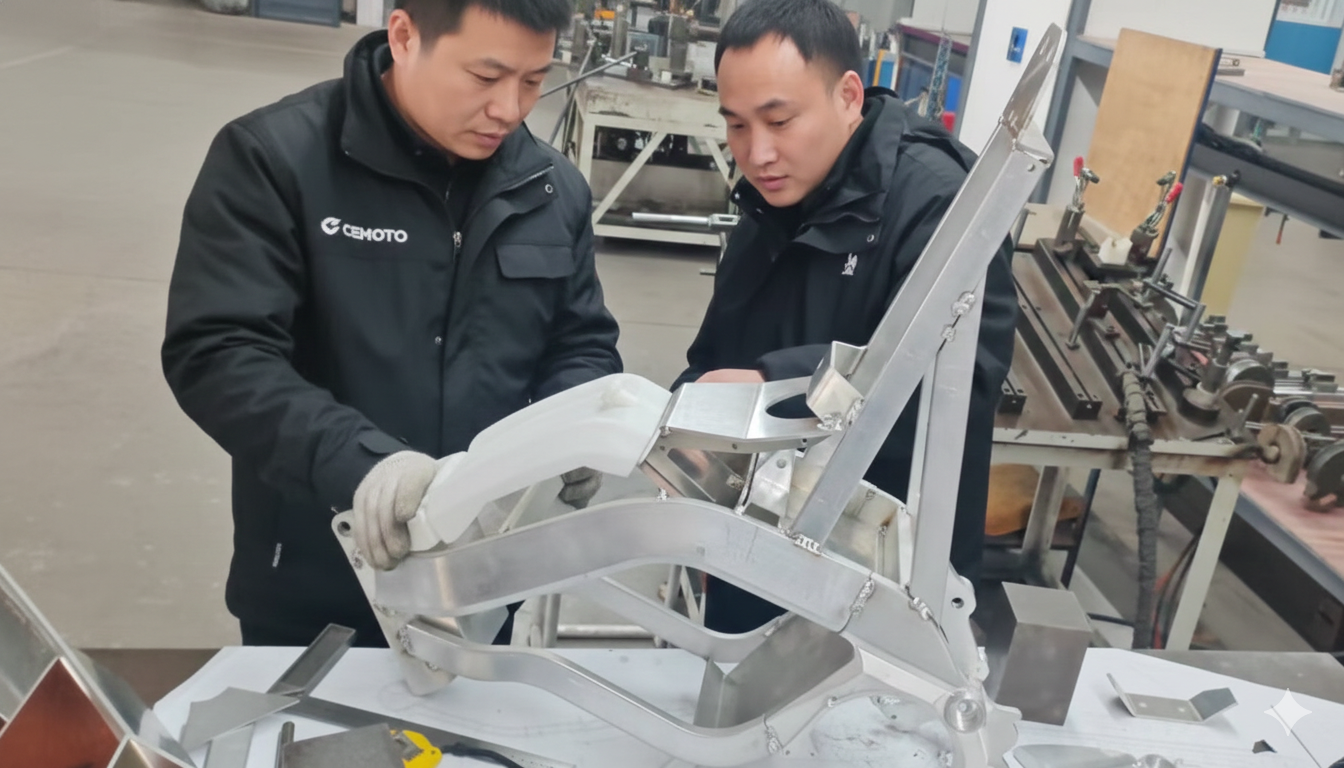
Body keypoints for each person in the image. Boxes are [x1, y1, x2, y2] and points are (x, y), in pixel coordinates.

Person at [161, 0, 621, 648]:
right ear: (404, 36)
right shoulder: (276, 160)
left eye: (533, 80)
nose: (510, 109)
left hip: (482, 582)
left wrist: (571, 427)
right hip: (317, 586)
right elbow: (219, 352)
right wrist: (360, 464)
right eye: (485, 77)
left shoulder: (550, 188)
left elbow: (580, 341)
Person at [674, 0, 1017, 634]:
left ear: (849, 96)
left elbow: (952, 385)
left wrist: (775, 387)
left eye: (779, 120)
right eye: (737, 125)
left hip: (879, 572)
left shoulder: (939, 206)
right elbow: (718, 352)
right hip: (756, 535)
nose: (757, 152)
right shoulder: (775, 198)